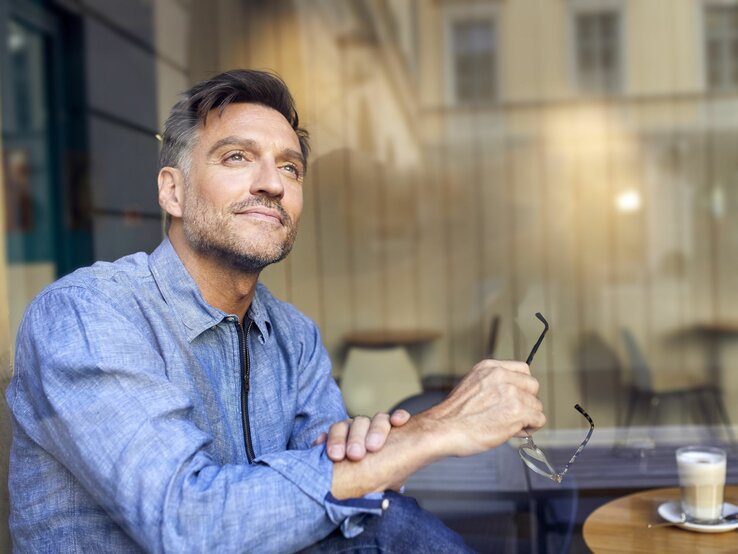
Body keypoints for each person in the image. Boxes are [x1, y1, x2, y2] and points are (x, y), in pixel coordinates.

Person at [6, 69, 546, 553]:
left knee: (388, 522)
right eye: (237, 157)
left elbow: (344, 510)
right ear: (172, 191)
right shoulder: (87, 314)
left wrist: (370, 461)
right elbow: (188, 525)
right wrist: (431, 431)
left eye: (290, 167)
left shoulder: (294, 336)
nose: (272, 183)